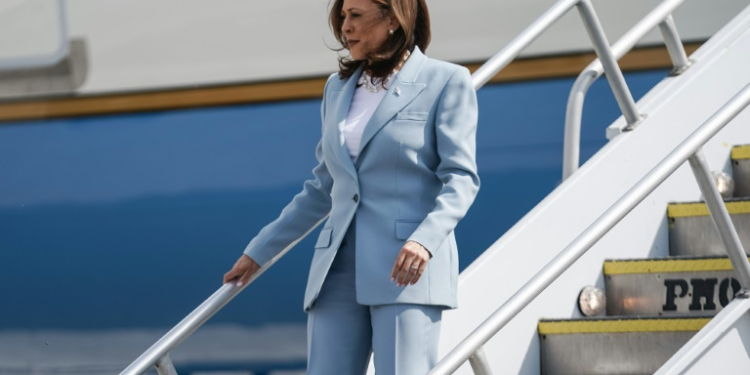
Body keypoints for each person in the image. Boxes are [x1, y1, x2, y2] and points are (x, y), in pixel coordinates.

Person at [223, 0, 479, 373]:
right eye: (343, 16)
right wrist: (261, 249)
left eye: (356, 16)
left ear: (393, 18)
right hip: (336, 270)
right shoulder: (337, 87)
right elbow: (323, 187)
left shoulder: (447, 80)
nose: (345, 27)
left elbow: (461, 178)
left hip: (404, 269)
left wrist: (425, 240)